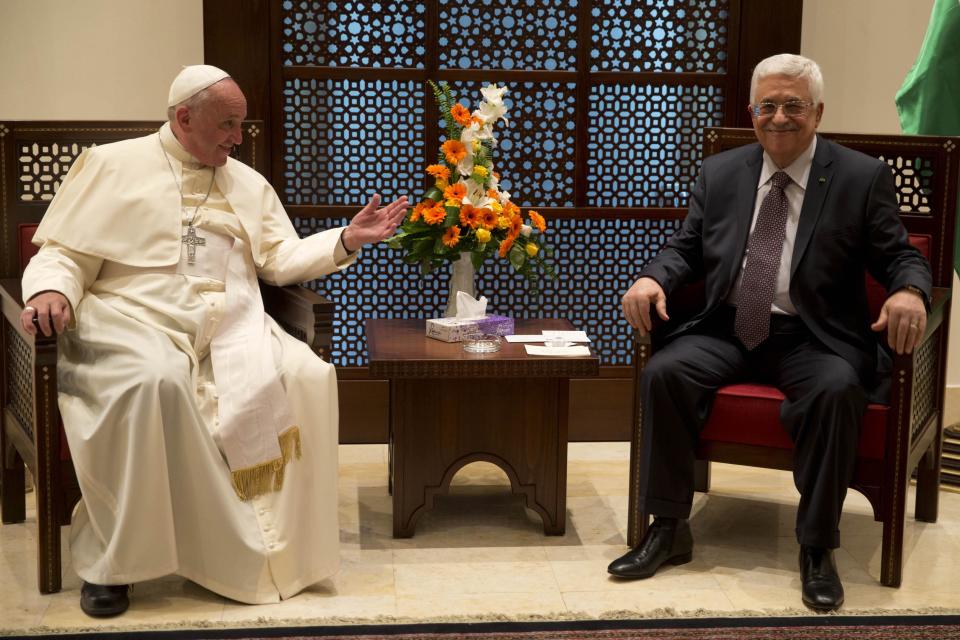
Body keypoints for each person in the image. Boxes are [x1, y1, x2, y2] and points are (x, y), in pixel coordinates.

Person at [19, 65, 407, 617]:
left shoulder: (247, 183)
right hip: (132, 318)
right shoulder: (111, 165)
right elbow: (62, 253)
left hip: (232, 321)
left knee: (307, 373)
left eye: (242, 125)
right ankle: (114, 566)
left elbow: (278, 261)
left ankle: (281, 553)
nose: (238, 137)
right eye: (228, 124)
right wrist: (51, 290)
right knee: (155, 381)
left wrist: (345, 238)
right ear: (184, 118)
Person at [609, 54, 930, 612]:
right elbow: (686, 248)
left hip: (815, 334)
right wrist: (650, 277)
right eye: (768, 105)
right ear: (751, 110)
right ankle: (668, 528)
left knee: (835, 390)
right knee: (665, 372)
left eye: (794, 105)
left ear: (818, 112)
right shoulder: (722, 171)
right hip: (728, 326)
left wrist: (909, 291)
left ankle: (815, 547)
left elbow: (901, 256)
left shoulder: (859, 176)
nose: (779, 117)